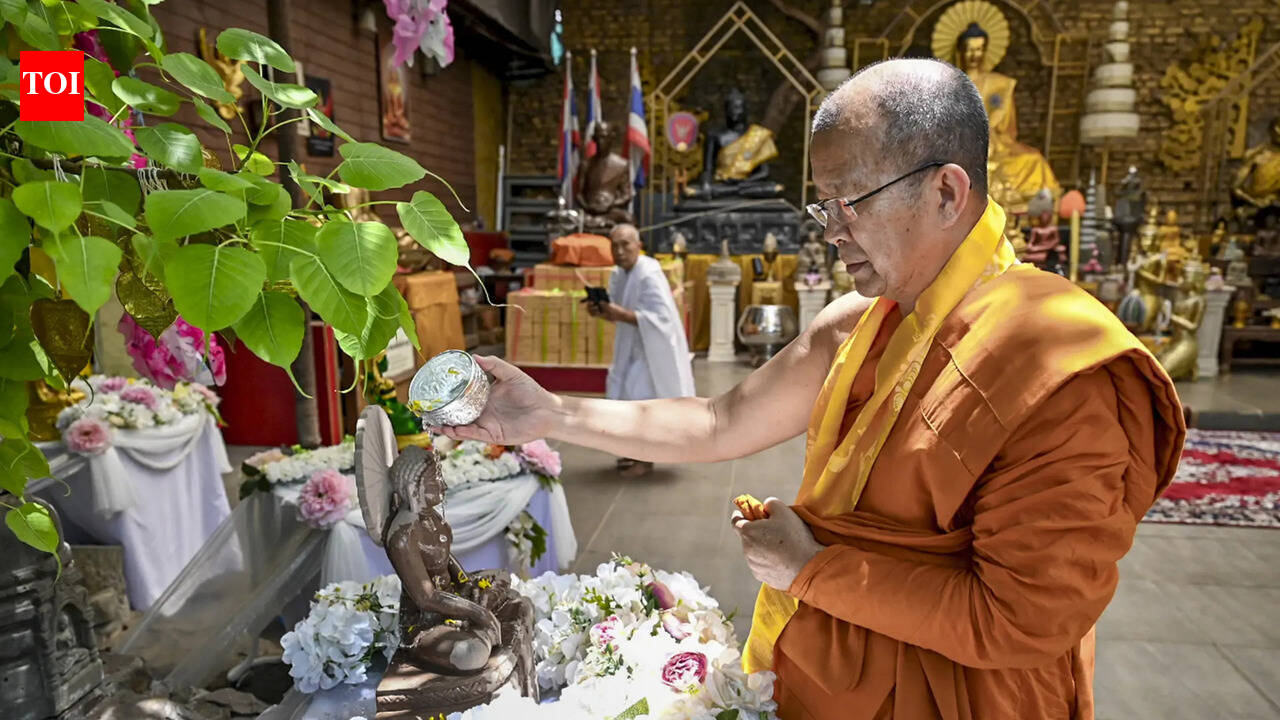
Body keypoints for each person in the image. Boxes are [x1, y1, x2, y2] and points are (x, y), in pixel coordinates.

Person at [432, 59, 1184, 719]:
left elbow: (1020, 622)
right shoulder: (856, 324)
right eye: (822, 203)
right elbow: (719, 421)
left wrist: (812, 570)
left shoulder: (1058, 370)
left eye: (850, 201)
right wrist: (550, 412)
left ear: (948, 192)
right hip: (826, 679)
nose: (830, 229)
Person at [586, 223, 695, 477]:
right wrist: (602, 311)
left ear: (639, 246)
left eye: (626, 244)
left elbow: (661, 319)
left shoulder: (649, 273)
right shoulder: (618, 274)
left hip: (651, 352)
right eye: (615, 246)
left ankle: (644, 460)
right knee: (625, 398)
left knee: (641, 403)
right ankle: (632, 452)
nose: (620, 251)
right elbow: (618, 312)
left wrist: (619, 313)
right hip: (629, 347)